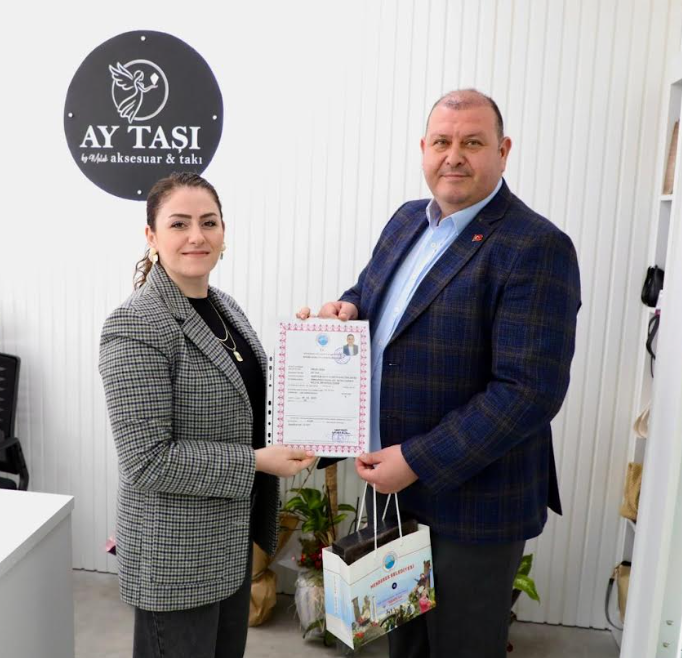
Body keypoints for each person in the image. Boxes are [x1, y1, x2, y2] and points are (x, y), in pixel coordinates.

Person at [298, 89, 581, 658]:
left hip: (472, 503)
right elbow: (374, 292)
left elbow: (527, 391)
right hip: (393, 491)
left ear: (502, 151)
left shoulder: (536, 246)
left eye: (472, 142)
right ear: (423, 149)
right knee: (403, 646)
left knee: (459, 648)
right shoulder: (408, 220)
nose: (454, 156)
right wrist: (348, 309)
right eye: (442, 142)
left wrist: (416, 461)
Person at [100, 172, 315, 658]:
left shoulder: (225, 308)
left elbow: (249, 404)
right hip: (175, 558)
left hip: (231, 546)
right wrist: (256, 462)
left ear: (223, 233)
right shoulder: (136, 323)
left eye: (208, 222)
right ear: (152, 236)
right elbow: (147, 460)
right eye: (179, 224)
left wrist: (315, 349)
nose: (196, 236)